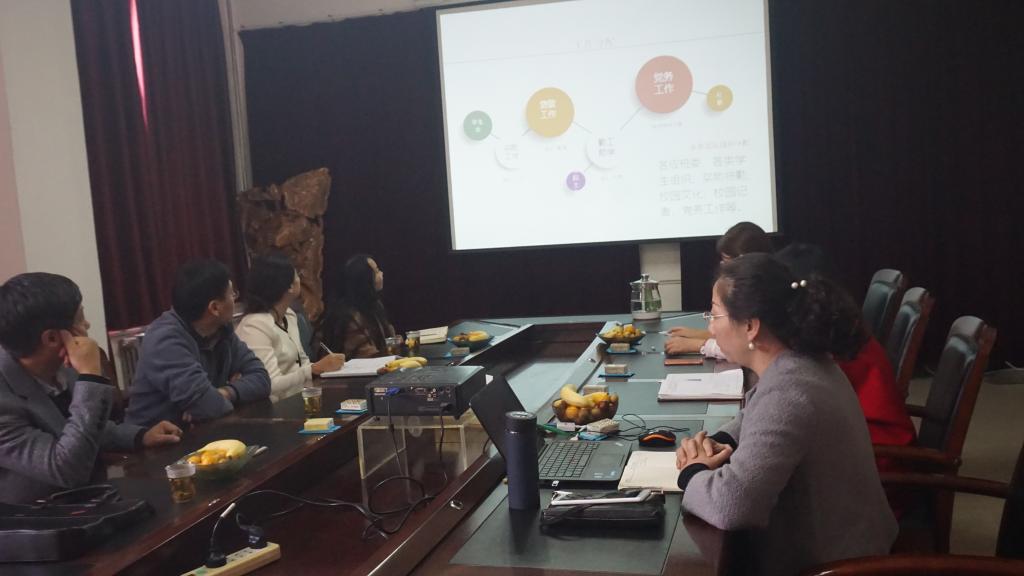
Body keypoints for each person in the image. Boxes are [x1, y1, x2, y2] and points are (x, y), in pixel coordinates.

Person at [675, 254, 897, 575]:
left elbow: (733, 506)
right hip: (846, 545)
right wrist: (721, 441)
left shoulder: (788, 391)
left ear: (750, 326)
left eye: (715, 314)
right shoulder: (801, 360)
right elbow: (756, 414)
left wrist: (691, 472)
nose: (710, 326)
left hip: (838, 565)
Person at [0, 273, 182, 504]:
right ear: (52, 338)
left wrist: (140, 436)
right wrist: (91, 377)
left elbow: (81, 428)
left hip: (90, 498)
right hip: (36, 515)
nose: (87, 325)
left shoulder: (59, 365)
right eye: (80, 318)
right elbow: (66, 469)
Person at [126, 260, 270, 427]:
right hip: (156, 438)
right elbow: (209, 406)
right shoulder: (164, 339)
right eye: (232, 294)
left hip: (203, 429)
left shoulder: (222, 330)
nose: (235, 299)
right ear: (215, 308)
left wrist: (226, 392)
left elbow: (262, 379)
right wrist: (217, 398)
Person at [236, 254, 345, 401]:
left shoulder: (289, 315)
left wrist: (323, 367)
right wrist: (313, 369)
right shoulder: (254, 326)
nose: (300, 279)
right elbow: (268, 384)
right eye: (297, 275)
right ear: (289, 286)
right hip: (273, 407)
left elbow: (302, 362)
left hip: (300, 398)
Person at [320, 254, 396, 359]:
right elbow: (365, 355)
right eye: (377, 271)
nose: (381, 274)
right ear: (365, 280)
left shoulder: (374, 306)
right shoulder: (349, 316)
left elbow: (387, 340)